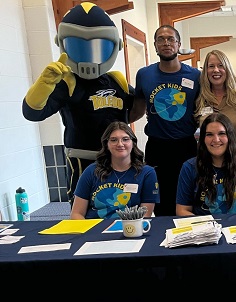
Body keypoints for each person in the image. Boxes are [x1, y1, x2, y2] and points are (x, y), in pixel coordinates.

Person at [22, 2, 145, 207]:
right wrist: (44, 85)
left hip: (119, 157)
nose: (89, 53)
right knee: (84, 209)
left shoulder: (117, 81)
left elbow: (133, 112)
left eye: (98, 46)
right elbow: (32, 113)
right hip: (83, 159)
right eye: (79, 45)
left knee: (123, 206)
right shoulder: (68, 82)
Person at [134, 25, 201, 216]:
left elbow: (202, 108)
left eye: (171, 39)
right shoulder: (144, 75)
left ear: (178, 44)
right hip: (157, 146)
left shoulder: (195, 76)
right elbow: (136, 110)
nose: (166, 43)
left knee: (189, 197)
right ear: (155, 46)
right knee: (161, 201)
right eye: (161, 39)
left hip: (186, 145)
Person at [176, 112, 236, 216]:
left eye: (221, 133)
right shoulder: (189, 168)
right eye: (209, 134)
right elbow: (182, 210)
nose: (216, 140)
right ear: (203, 139)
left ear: (230, 137)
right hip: (205, 229)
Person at [70, 121, 159, 219]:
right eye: (113, 140)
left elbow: (145, 215)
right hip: (94, 229)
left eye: (125, 139)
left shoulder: (146, 173)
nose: (120, 144)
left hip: (129, 228)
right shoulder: (91, 171)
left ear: (132, 143)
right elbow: (76, 214)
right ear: (106, 144)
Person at [194, 49, 236, 154]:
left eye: (220, 65)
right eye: (211, 66)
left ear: (227, 69)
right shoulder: (200, 100)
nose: (216, 70)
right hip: (209, 165)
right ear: (206, 71)